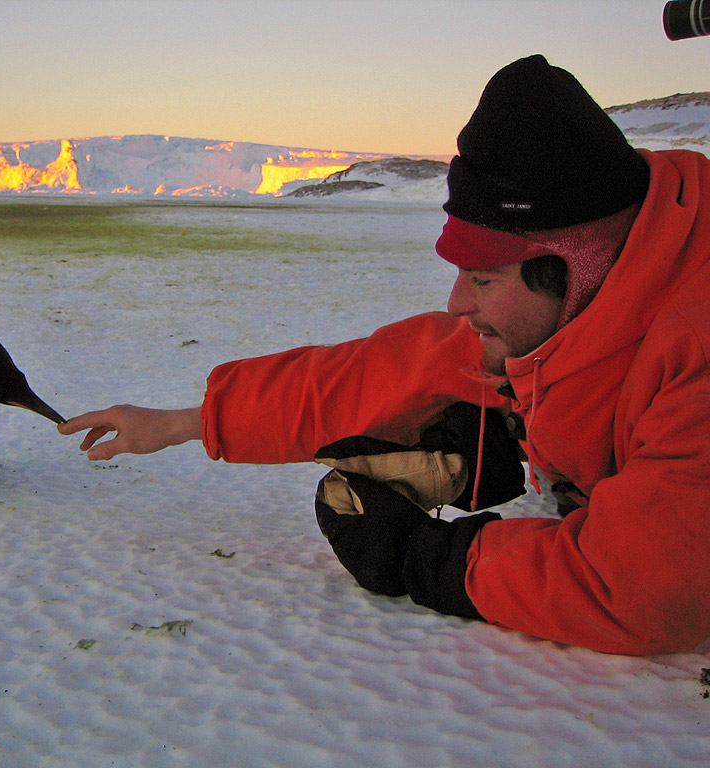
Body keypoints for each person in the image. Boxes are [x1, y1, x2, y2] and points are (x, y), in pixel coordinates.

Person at [58, 55, 710, 656]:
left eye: (483, 279)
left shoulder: (696, 350)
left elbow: (643, 591)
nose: (458, 303)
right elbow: (368, 377)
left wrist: (426, 560)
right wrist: (181, 423)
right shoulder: (586, 299)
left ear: (576, 267)